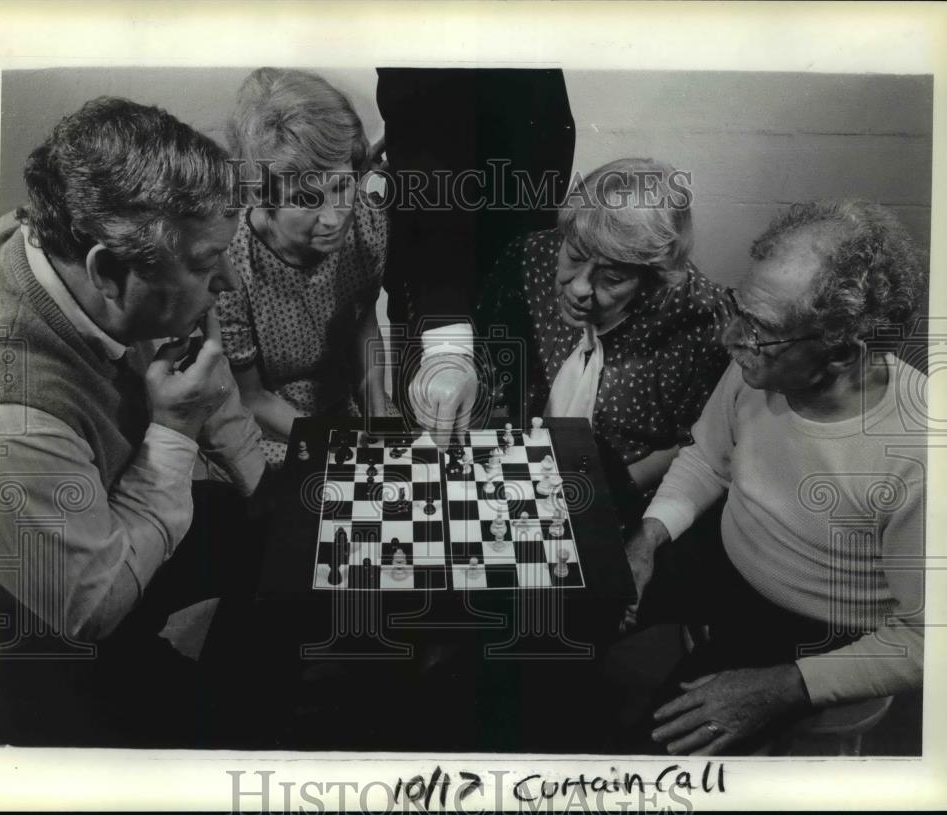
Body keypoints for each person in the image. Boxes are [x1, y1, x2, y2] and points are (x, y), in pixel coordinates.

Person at [0, 97, 267, 744]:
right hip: (43, 623)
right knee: (222, 725)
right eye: (206, 265)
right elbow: (92, 607)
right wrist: (174, 430)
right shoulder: (11, 416)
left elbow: (203, 370)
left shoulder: (105, 269)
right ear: (109, 273)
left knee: (252, 522)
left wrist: (271, 497)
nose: (228, 281)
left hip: (111, 504)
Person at [621, 199, 927, 755]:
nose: (728, 339)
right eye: (739, 310)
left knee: (649, 767)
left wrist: (788, 687)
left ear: (840, 354)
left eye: (758, 328)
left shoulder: (921, 454)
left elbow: (931, 642)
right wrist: (650, 534)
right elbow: (708, 457)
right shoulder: (759, 362)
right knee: (561, 599)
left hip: (812, 631)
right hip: (726, 551)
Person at [477, 158, 731, 508]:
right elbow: (487, 365)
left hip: (620, 492)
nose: (580, 287)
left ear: (652, 278)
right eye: (574, 256)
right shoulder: (528, 258)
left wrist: (607, 489)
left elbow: (700, 444)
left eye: (612, 279)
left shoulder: (702, 318)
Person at [376, 68, 576, 441]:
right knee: (436, 444)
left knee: (495, 436)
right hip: (440, 283)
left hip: (511, 266)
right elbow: (433, 160)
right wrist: (447, 342)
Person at [217, 68, 389, 466]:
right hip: (269, 427)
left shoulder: (368, 220)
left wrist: (377, 415)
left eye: (341, 187)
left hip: (344, 407)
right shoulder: (229, 261)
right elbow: (251, 396)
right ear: (263, 197)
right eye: (306, 199)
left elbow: (363, 324)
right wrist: (336, 444)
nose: (334, 217)